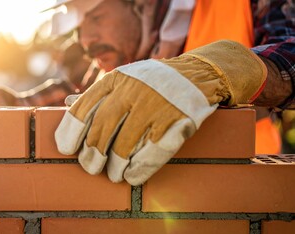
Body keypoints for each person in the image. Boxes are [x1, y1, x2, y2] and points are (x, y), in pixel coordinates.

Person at [47, 0, 295, 186]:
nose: (85, 40)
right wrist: (11, 102)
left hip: (250, 196)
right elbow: (78, 93)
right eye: (79, 28)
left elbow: (290, 50)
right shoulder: (123, 48)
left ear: (140, 6)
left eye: (96, 18)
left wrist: (213, 72)